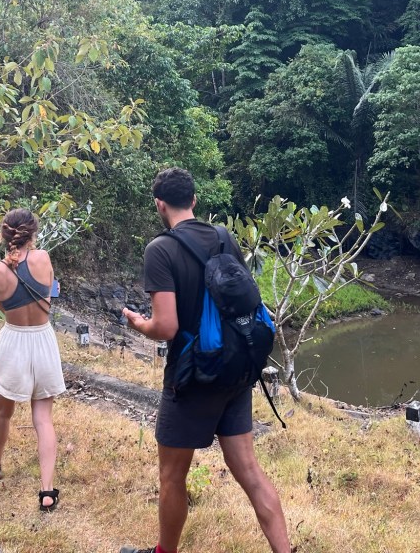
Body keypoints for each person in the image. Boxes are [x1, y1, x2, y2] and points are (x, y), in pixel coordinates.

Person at [120, 168, 291, 553]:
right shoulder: (223, 236)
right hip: (236, 369)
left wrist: (138, 323)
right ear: (194, 200)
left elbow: (166, 326)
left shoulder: (160, 250)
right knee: (249, 471)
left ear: (159, 205)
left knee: (172, 476)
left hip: (193, 377)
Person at [0, 208, 65, 512]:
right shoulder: (44, 258)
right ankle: (47, 491)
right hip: (42, 338)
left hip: (14, 340)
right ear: (32, 233)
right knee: (43, 417)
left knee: (3, 411)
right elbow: (49, 298)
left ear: (3, 235)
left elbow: (4, 309)